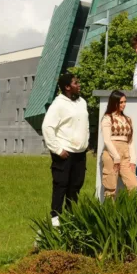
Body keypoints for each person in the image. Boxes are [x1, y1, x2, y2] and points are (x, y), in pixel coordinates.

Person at [41, 73, 89, 226]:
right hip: (64, 153)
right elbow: (47, 127)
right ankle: (55, 218)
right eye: (76, 83)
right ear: (67, 87)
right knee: (61, 185)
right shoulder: (58, 104)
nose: (79, 85)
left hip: (80, 153)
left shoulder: (82, 102)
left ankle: (71, 217)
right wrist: (57, 149)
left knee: (76, 185)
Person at [101, 90, 137, 198]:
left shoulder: (128, 119)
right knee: (110, 188)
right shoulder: (108, 118)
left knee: (134, 185)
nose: (124, 105)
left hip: (125, 153)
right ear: (114, 102)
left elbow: (130, 141)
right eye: (121, 102)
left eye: (125, 102)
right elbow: (107, 140)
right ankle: (109, 213)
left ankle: (131, 212)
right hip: (111, 154)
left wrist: (133, 161)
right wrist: (116, 157)